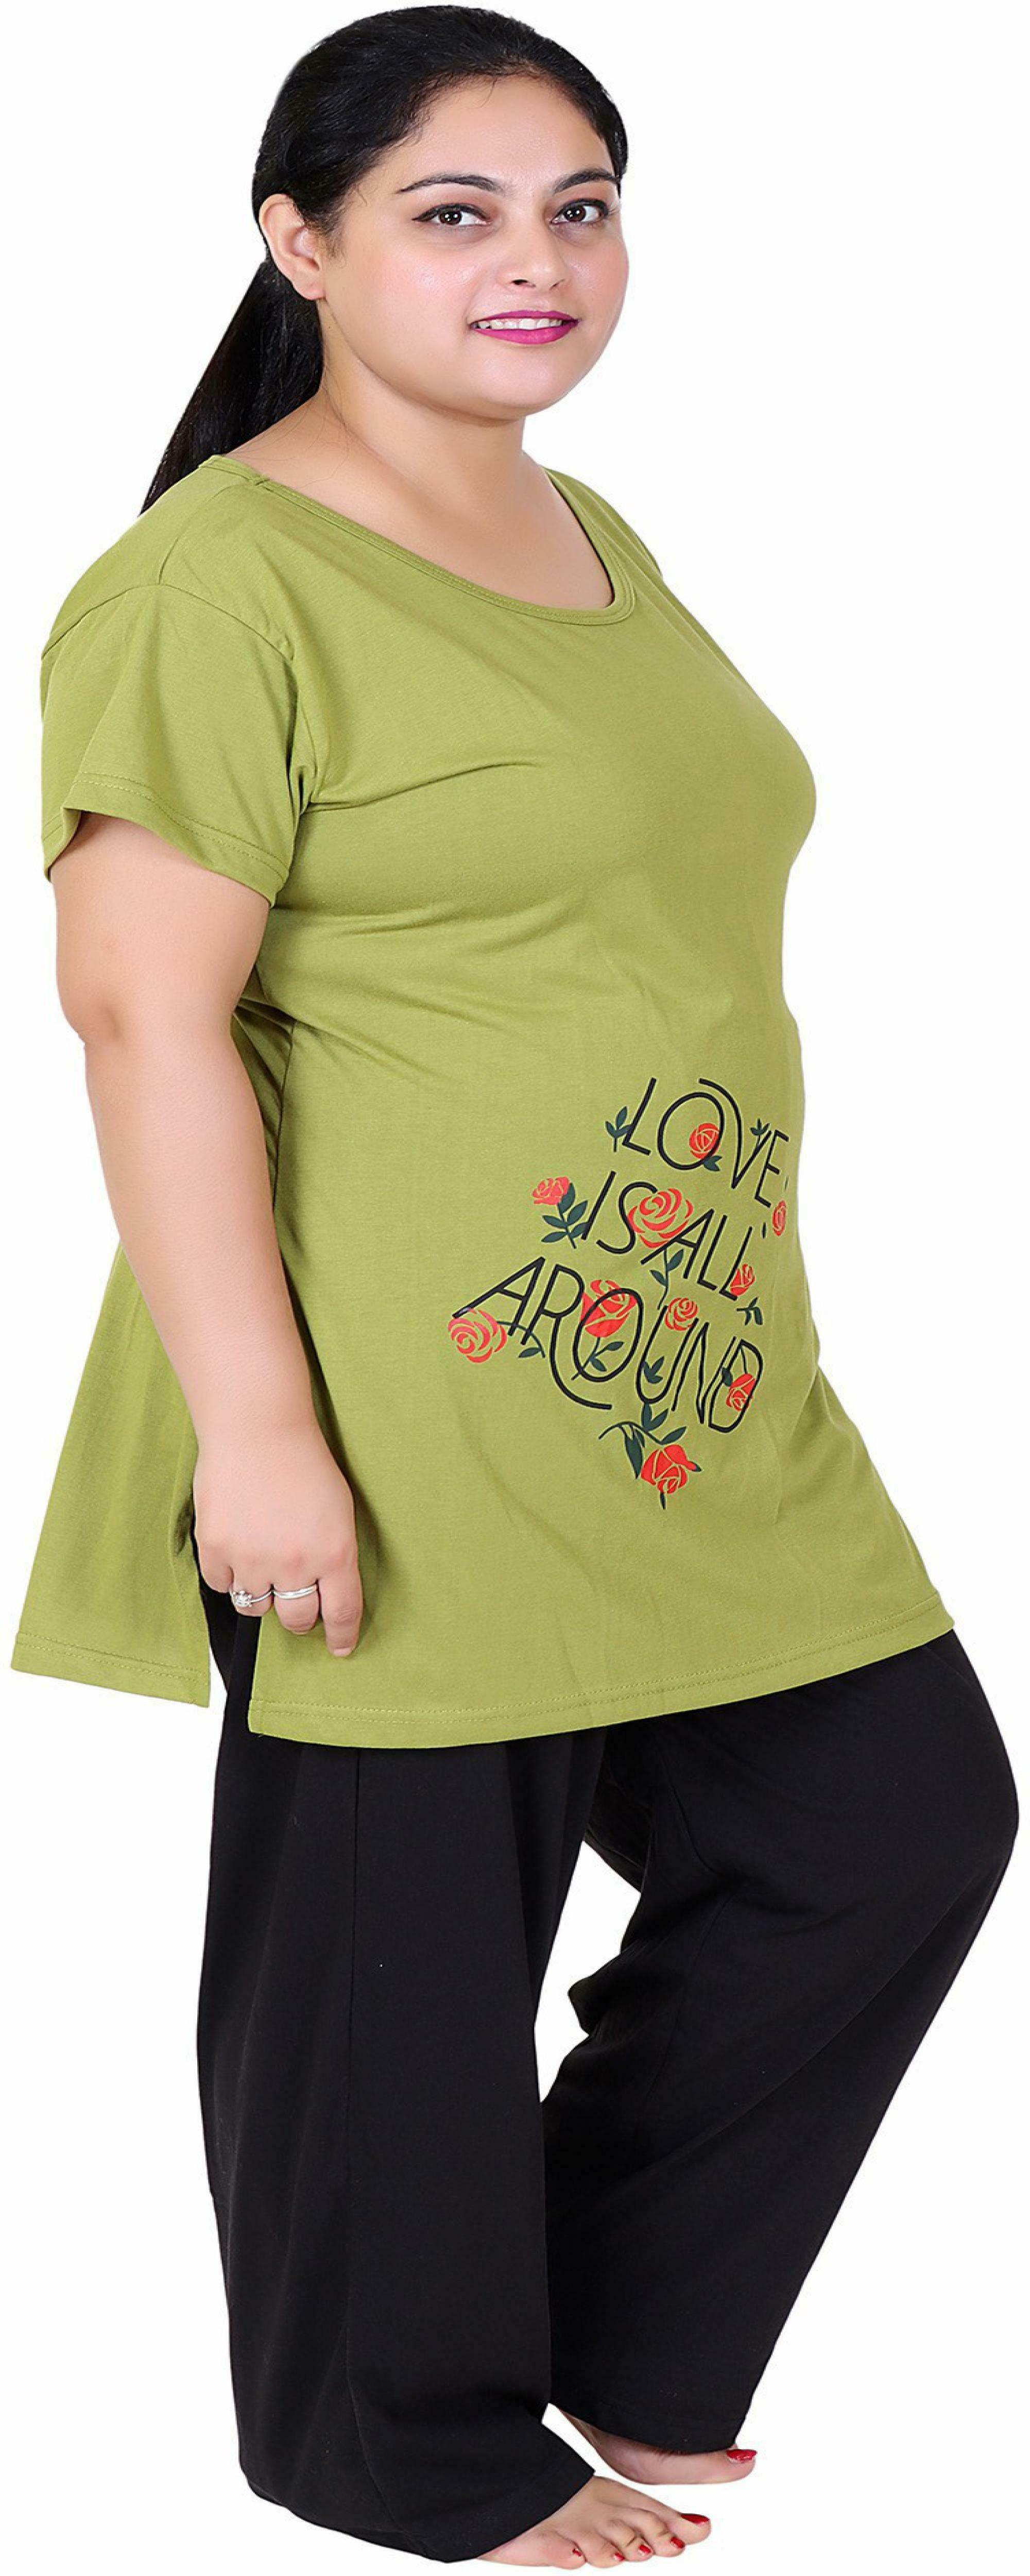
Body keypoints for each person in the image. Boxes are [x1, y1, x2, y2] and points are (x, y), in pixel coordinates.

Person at [9, 9, 1018, 2567]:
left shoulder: (588, 531)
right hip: (389, 1380)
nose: (534, 258)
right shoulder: (212, 579)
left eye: (577, 202)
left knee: (890, 1818)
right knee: (397, 1948)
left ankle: (612, 2330)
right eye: (449, 210)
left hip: (681, 1363)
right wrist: (259, 1431)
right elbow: (140, 1013)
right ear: (298, 243)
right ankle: (405, 2448)